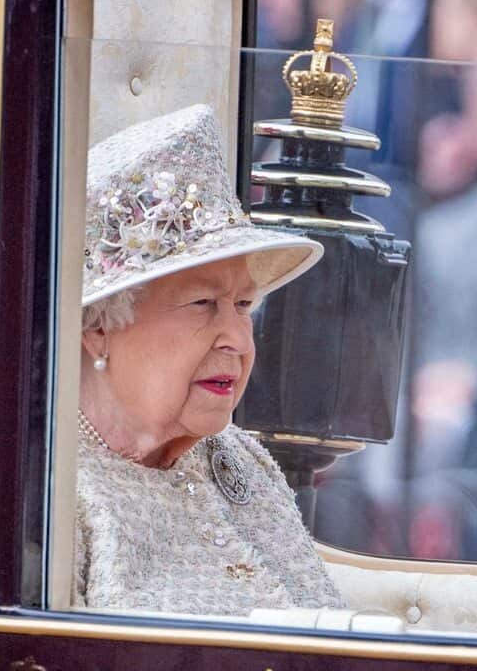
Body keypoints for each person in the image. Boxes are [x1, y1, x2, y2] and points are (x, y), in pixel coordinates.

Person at [73, 104, 342, 614]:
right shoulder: (50, 497)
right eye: (203, 304)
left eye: (244, 306)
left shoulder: (241, 458)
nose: (238, 341)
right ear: (99, 327)